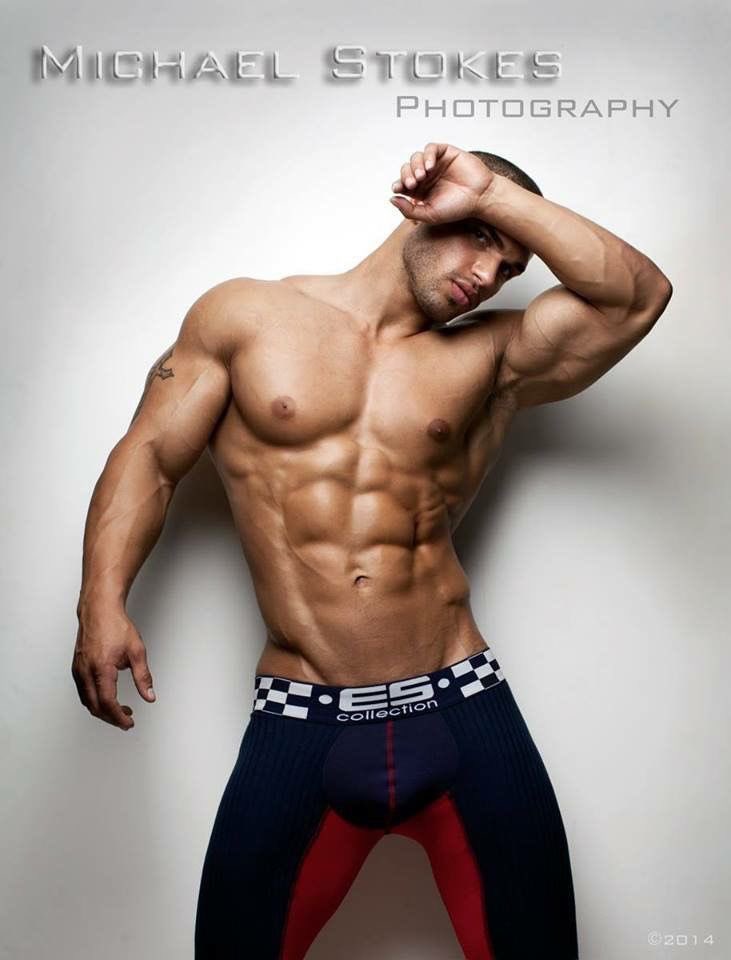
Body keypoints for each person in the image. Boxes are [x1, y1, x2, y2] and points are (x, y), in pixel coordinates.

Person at [71, 142, 672, 959]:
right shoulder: (246, 316)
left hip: (462, 707)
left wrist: (491, 198)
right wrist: (101, 602)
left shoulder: (492, 357)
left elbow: (638, 297)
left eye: (509, 267)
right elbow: (149, 456)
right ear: (421, 209)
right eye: (479, 242)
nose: (487, 277)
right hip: (303, 718)